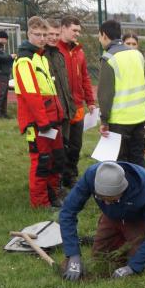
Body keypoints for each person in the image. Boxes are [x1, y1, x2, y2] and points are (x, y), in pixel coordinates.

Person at [58, 161, 145, 281]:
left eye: (112, 199)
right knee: (100, 258)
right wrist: (73, 255)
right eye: (101, 198)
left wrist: (133, 267)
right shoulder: (92, 175)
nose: (106, 203)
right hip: (111, 216)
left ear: (123, 189)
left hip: (136, 218)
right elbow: (68, 212)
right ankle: (125, 239)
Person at [12, 16, 65, 208]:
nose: (42, 38)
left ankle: (53, 195)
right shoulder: (25, 61)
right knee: (42, 161)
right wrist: (43, 122)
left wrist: (57, 116)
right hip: (38, 122)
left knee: (56, 158)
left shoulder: (40, 57)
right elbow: (32, 96)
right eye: (37, 34)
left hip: (52, 119)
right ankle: (40, 202)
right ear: (29, 34)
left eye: (44, 34)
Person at [97, 19, 145, 168]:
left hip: (119, 120)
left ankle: (124, 183)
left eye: (99, 36)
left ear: (104, 35)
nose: (99, 40)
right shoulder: (137, 55)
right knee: (137, 158)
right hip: (139, 117)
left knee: (120, 161)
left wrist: (104, 121)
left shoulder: (108, 58)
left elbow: (105, 95)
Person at [57, 16, 95, 188]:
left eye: (79, 31)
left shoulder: (79, 51)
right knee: (61, 145)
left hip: (78, 106)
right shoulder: (54, 50)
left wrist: (90, 100)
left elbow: (85, 77)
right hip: (62, 106)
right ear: (63, 28)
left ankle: (71, 176)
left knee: (75, 146)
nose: (77, 34)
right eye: (74, 30)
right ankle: (59, 178)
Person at [44, 19, 76, 197]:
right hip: (50, 114)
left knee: (63, 149)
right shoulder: (40, 57)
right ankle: (50, 188)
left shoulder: (59, 56)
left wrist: (70, 106)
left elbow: (65, 85)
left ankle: (59, 183)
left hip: (64, 111)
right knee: (51, 153)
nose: (54, 37)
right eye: (50, 34)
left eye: (57, 34)